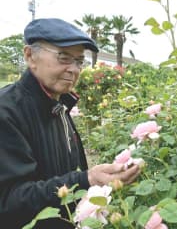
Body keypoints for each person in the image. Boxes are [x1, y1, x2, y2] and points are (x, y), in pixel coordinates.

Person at [0, 18, 140, 228]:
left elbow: (64, 173)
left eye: (78, 61)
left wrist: (95, 184)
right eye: (64, 58)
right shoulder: (7, 111)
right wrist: (86, 180)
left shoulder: (59, 105)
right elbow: (9, 200)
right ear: (30, 56)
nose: (74, 69)